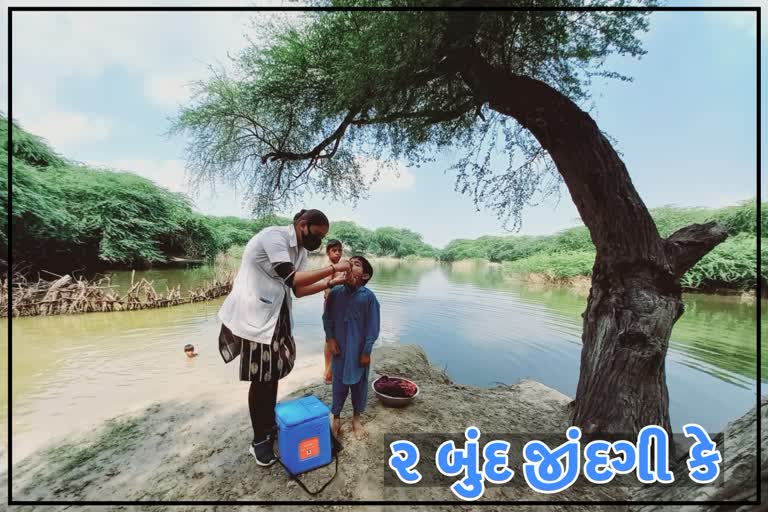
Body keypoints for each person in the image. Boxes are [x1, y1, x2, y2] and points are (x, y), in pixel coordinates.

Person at [217, 209, 351, 467]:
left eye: (324, 236)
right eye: (317, 234)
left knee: (273, 374)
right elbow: (292, 277)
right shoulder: (274, 238)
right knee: (260, 378)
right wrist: (333, 269)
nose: (320, 241)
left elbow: (298, 290)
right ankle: (258, 441)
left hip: (276, 316)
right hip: (254, 315)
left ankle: (269, 425)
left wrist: (331, 283)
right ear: (303, 225)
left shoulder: (300, 250)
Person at [322, 256, 380, 441]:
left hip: (358, 351)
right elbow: (327, 318)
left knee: (359, 385)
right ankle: (336, 417)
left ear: (365, 275)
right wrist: (330, 339)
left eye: (356, 264)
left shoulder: (368, 297)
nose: (349, 265)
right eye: (349, 262)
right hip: (339, 350)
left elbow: (373, 326)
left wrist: (366, 351)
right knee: (338, 384)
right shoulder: (336, 292)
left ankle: (356, 417)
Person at [323, 239, 345, 384]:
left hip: (341, 306)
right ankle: (328, 371)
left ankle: (328, 370)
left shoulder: (342, 266)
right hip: (331, 306)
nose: (337, 253)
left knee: (333, 337)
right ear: (328, 252)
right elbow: (326, 290)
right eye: (334, 250)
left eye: (339, 250)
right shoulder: (329, 267)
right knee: (330, 338)